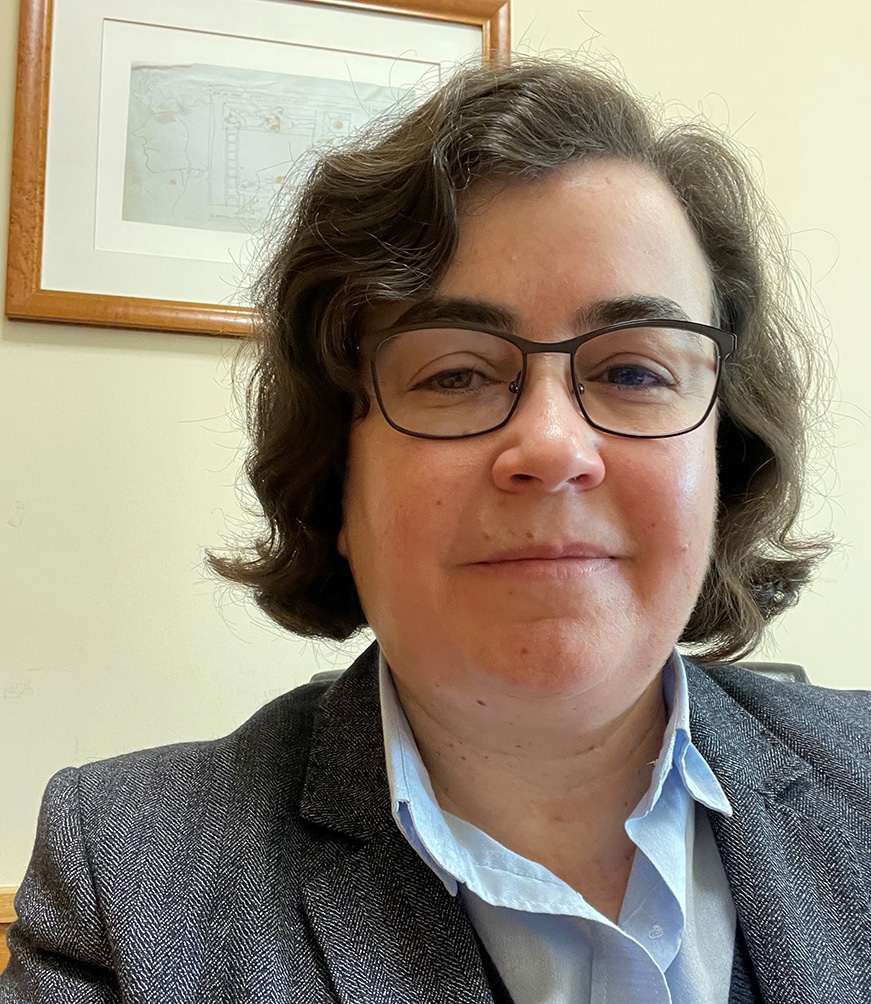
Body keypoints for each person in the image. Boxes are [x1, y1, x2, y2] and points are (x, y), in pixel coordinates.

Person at [2, 57, 870, 1004]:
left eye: (633, 372)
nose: (552, 446)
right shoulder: (126, 879)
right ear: (335, 478)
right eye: (454, 374)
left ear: (725, 459)